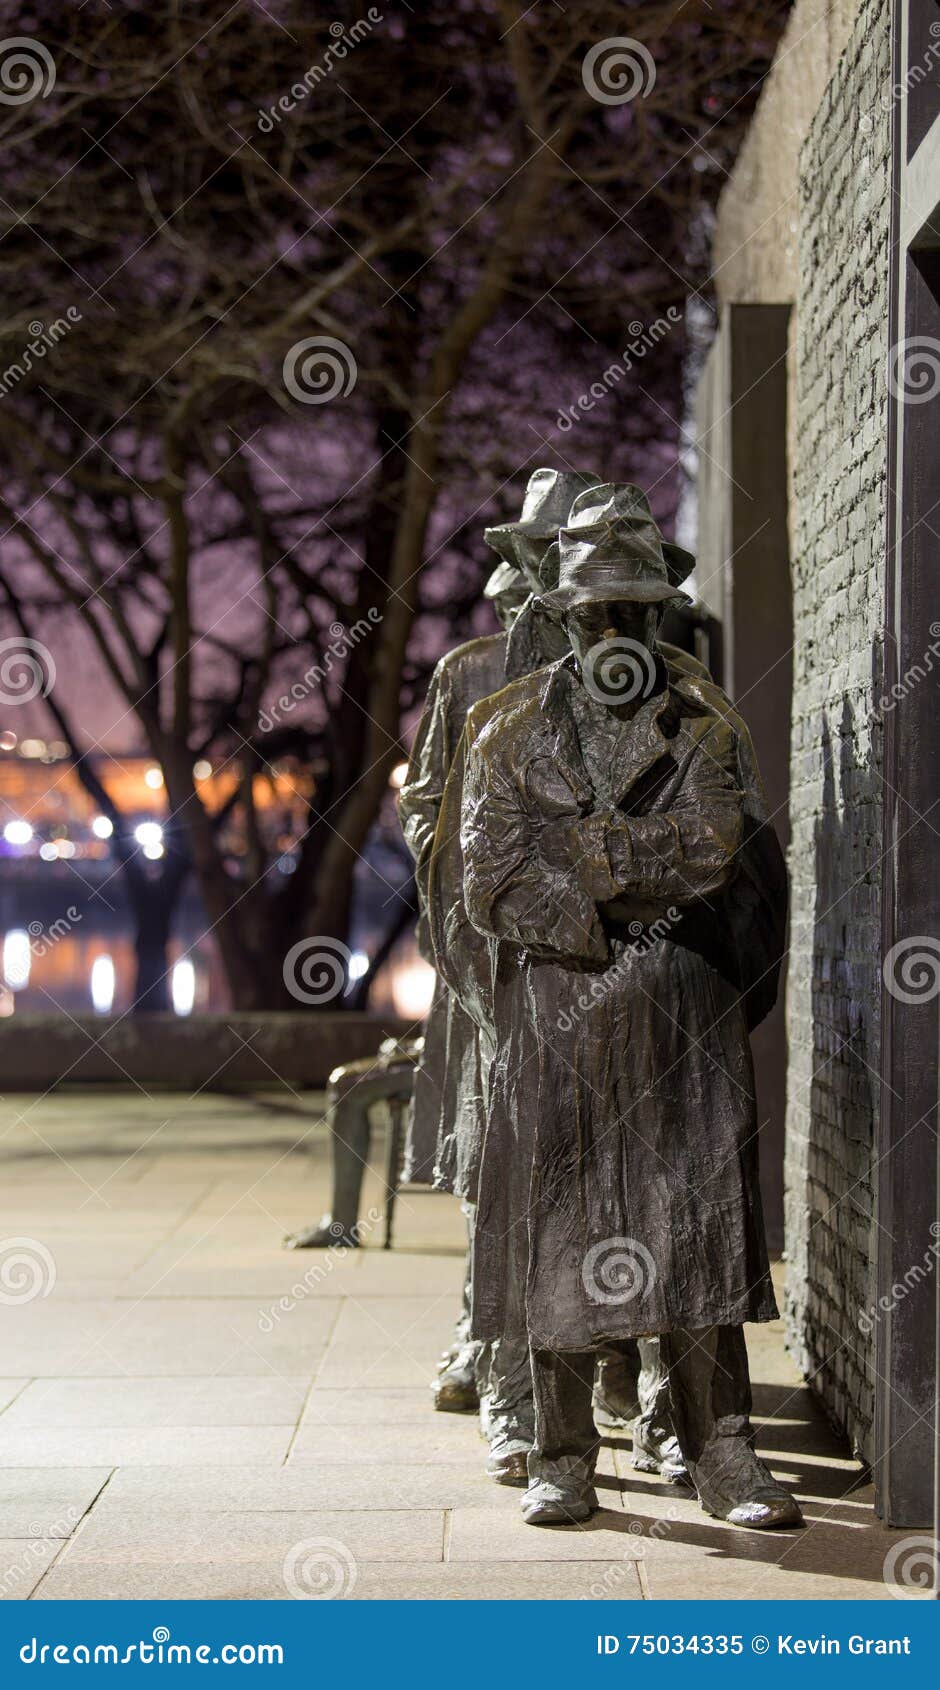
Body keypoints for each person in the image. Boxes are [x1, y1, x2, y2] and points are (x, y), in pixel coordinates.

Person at [457, 483, 802, 1530]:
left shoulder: (704, 729)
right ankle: (565, 1453)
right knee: (556, 1231)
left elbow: (710, 856)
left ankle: (722, 1451)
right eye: (595, 609)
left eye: (632, 608)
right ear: (563, 616)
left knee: (692, 1228)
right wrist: (613, 882)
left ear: (660, 613)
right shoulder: (506, 731)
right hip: (556, 1008)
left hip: (678, 1006)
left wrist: (581, 858)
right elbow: (489, 880)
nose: (614, 627)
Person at [400, 467, 599, 1472]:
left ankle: (584, 1360)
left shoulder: (636, 671)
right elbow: (427, 810)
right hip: (490, 965)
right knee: (496, 1163)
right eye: (547, 556)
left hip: (599, 965)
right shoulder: (471, 675)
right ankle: (499, 1362)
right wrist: (464, 934)